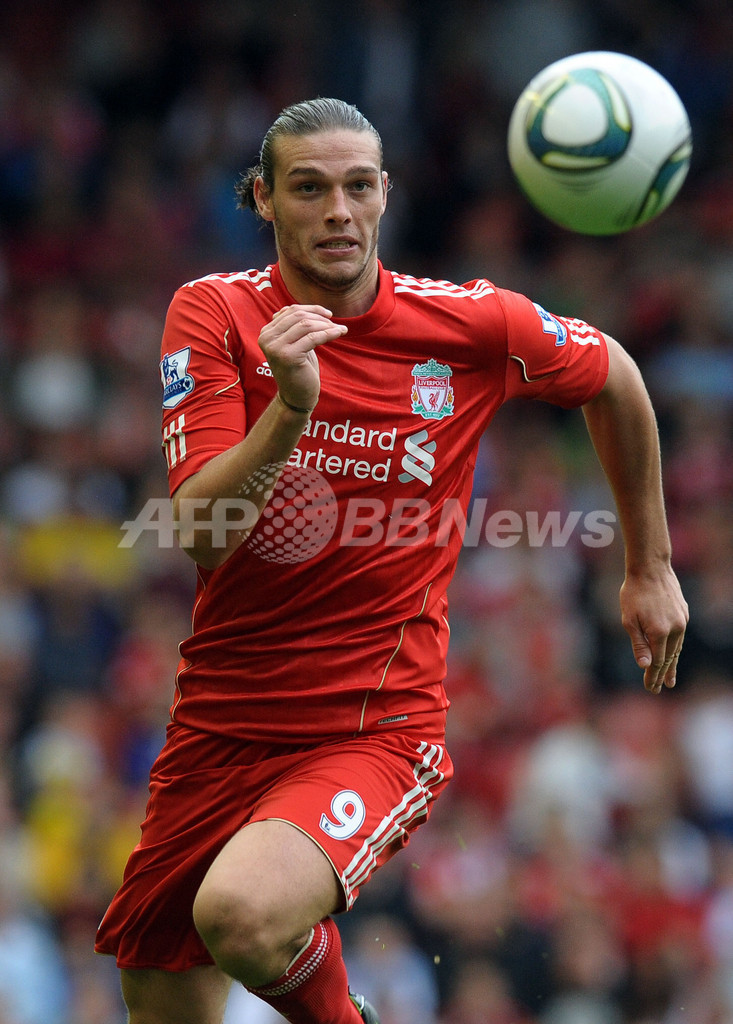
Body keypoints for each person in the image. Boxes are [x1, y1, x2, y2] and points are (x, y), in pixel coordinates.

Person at [95, 97, 688, 1024]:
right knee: (161, 998)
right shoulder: (215, 312)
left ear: (385, 194)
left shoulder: (467, 324)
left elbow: (611, 373)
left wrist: (648, 565)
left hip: (373, 728)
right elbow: (202, 532)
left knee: (243, 916)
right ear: (263, 199)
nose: (338, 211)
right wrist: (289, 409)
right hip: (219, 722)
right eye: (308, 188)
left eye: (357, 186)